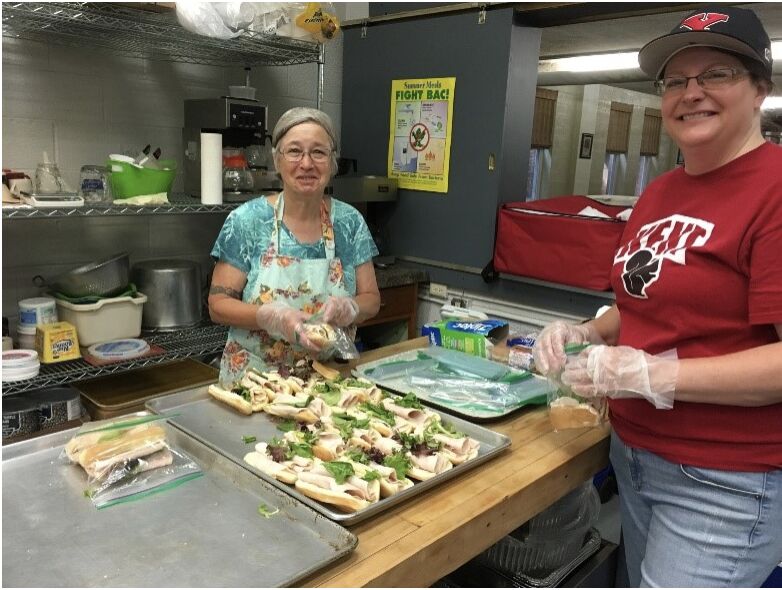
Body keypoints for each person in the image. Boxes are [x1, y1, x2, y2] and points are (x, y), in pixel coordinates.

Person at [532, 6, 782, 587]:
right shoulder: (660, 193)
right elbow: (648, 304)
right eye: (676, 80)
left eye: (716, 74)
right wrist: (588, 333)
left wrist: (653, 376)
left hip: (724, 483)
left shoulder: (774, 189)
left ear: (760, 90)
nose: (692, 93)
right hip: (632, 455)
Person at [208, 107, 381, 385]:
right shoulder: (247, 221)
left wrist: (351, 308)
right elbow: (217, 306)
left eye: (318, 152)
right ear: (277, 160)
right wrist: (270, 317)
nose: (306, 164)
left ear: (332, 163)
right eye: (294, 151)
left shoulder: (350, 223)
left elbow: (371, 299)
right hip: (255, 381)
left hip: (326, 380)